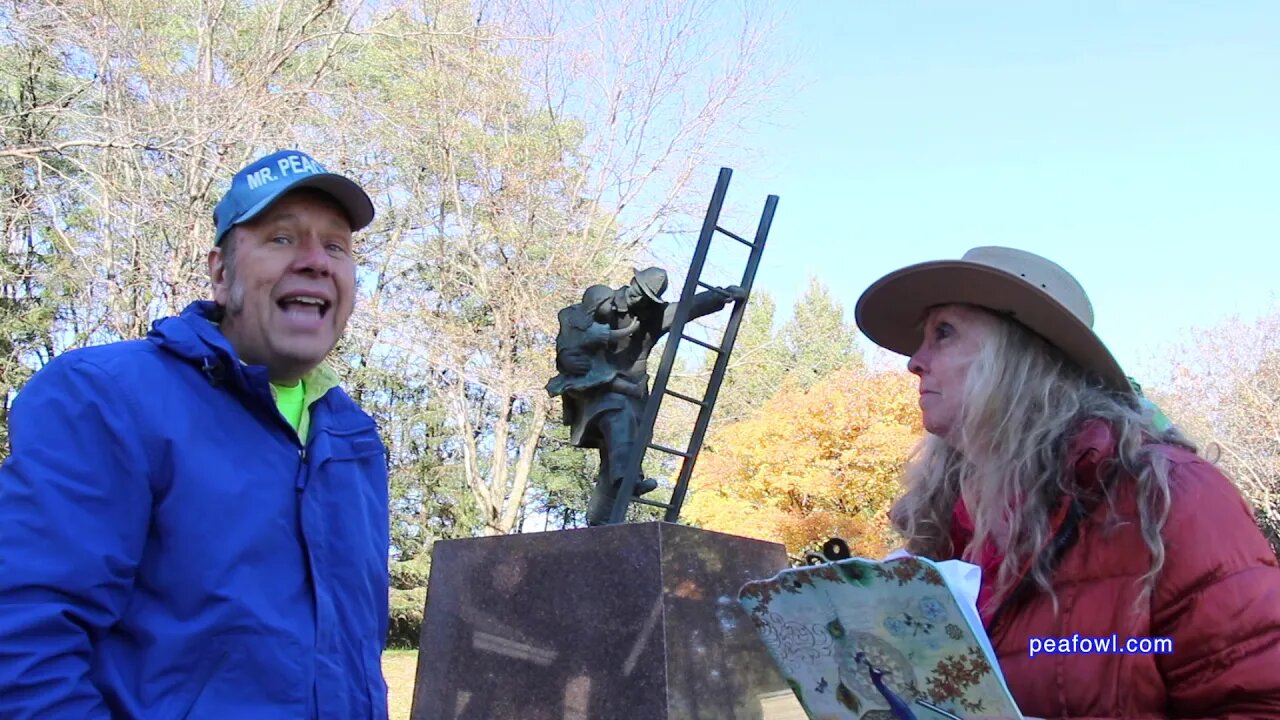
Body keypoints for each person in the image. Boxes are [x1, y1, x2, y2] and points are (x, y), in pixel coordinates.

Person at [0, 150, 392, 719]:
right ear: (220, 273)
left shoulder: (355, 439)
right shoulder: (106, 396)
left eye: (336, 246)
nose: (316, 261)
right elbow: (22, 646)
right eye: (282, 239)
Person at [854, 246, 1280, 717]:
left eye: (945, 333)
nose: (915, 361)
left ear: (1019, 353)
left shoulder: (1167, 494)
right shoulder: (937, 529)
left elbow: (1259, 701)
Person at [554, 267, 746, 525]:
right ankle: (630, 478)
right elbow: (568, 343)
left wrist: (719, 296)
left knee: (620, 448)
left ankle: (600, 520)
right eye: (637, 291)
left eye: (647, 297)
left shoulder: (651, 316)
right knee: (616, 415)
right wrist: (568, 357)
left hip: (632, 390)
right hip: (596, 391)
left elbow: (685, 308)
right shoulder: (593, 305)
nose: (638, 299)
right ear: (631, 281)